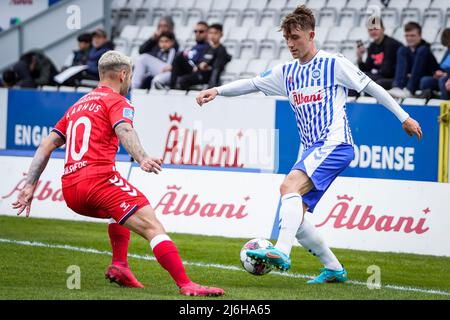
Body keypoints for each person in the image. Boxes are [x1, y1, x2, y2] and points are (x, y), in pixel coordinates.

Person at [196, 5, 422, 284]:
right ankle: (334, 269)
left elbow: (371, 87)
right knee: (296, 216)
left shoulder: (333, 64)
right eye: (287, 39)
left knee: (287, 188)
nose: (291, 44)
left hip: (335, 143)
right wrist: (216, 90)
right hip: (312, 148)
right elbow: (252, 84)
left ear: (311, 34)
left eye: (296, 37)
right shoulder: (287, 72)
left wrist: (404, 116)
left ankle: (281, 250)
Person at [12, 50, 224, 297]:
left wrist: (29, 185)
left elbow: (46, 145)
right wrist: (142, 157)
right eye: (131, 75)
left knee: (121, 209)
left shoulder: (77, 106)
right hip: (99, 182)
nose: (131, 80)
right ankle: (187, 285)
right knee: (153, 226)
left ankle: (120, 265)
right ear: (123, 74)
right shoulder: (117, 101)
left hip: (70, 190)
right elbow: (124, 129)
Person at [170, 23, 231, 90]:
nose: (213, 35)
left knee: (183, 80)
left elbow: (217, 68)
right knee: (179, 56)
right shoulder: (208, 48)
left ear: (221, 34)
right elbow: (200, 62)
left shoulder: (221, 50)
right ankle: (171, 86)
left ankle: (175, 90)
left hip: (206, 76)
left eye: (215, 33)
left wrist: (207, 67)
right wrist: (199, 66)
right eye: (211, 33)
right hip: (198, 72)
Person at [388, 22, 439, 99]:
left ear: (420, 36)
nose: (409, 38)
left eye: (412, 35)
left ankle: (409, 90)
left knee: (422, 50)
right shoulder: (405, 51)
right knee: (402, 50)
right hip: (409, 79)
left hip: (425, 79)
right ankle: (398, 87)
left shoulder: (425, 49)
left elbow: (432, 71)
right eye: (407, 35)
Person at [357, 18, 403, 90]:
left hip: (393, 79)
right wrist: (360, 58)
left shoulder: (391, 44)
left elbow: (387, 71)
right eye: (370, 30)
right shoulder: (372, 46)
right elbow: (367, 68)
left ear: (383, 29)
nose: (373, 32)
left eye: (376, 28)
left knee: (370, 83)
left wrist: (371, 73)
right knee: (358, 79)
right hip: (379, 77)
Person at [170, 21, 211, 89]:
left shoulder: (209, 48)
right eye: (195, 31)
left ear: (207, 33)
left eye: (201, 31)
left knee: (179, 56)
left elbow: (205, 63)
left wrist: (198, 66)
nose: (197, 34)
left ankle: (171, 87)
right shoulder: (194, 47)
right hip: (187, 70)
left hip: (198, 72)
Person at [419, 28, 450, 100]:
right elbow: (442, 66)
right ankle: (431, 98)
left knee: (443, 81)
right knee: (425, 81)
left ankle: (444, 105)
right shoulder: (448, 51)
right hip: (444, 76)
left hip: (446, 78)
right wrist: (437, 72)